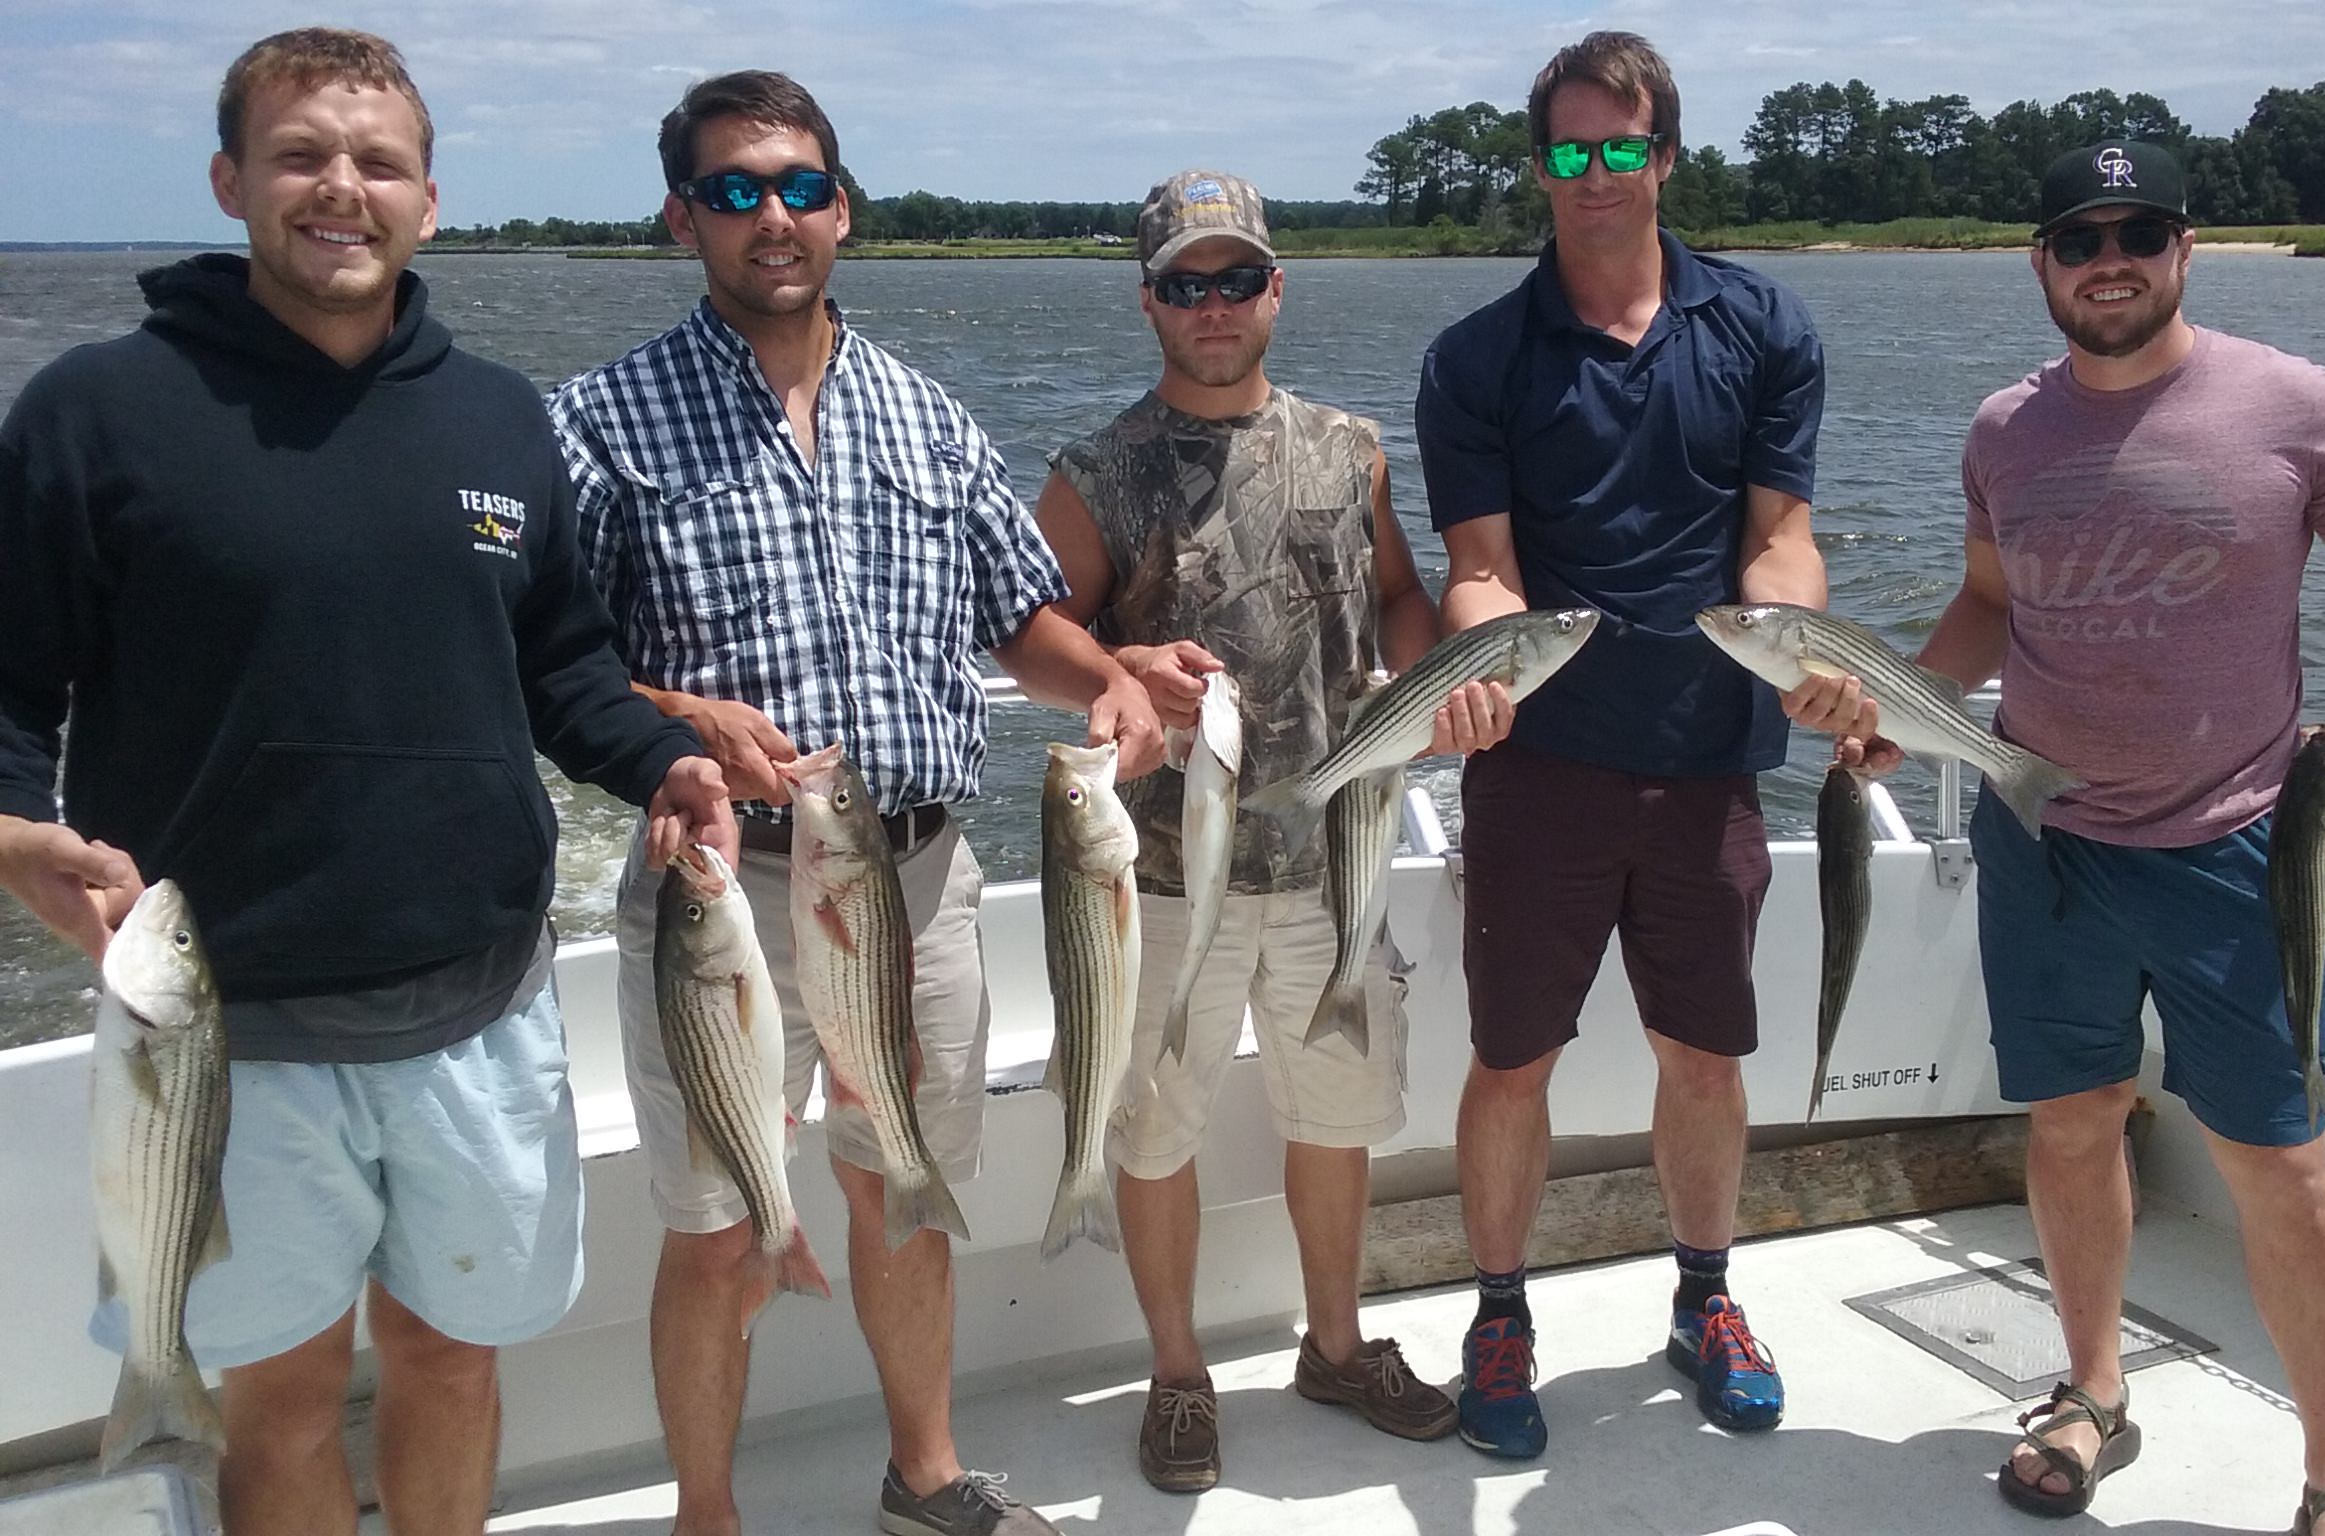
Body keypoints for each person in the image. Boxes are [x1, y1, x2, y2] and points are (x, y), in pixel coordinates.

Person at [0, 28, 733, 1536]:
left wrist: (665, 757)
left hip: (480, 1001)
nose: (342, 186)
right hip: (224, 1028)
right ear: (230, 181)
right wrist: (13, 829)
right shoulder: (96, 411)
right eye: (300, 155)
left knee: (451, 1362)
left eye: (377, 161)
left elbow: (559, 663)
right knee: (275, 1397)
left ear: (430, 200)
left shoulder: (498, 418)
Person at [1794, 140, 2325, 1535]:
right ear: (2040, 262)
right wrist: (1910, 703)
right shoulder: (2003, 433)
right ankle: (2093, 1392)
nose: (2110, 261)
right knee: (2073, 1123)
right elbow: (1984, 606)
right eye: (2079, 238)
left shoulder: (2297, 405)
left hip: (2238, 843)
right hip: (2047, 841)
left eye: (2137, 231)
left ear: (2185, 249)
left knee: (2278, 1159)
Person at [547, 71, 1159, 1536]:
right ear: (682, 214)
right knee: (711, 1232)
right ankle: (708, 1514)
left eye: (801, 187)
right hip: (723, 892)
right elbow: (542, 660)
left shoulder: (926, 415)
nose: (775, 216)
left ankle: (927, 1478)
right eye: (736, 189)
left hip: (919, 876)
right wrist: (680, 713)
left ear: (845, 210)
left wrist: (1113, 680)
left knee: (908, 1185)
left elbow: (1019, 618)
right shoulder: (599, 419)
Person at [1034, 169, 1510, 1493]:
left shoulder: (1349, 447)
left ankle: (1337, 1345)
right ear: (1150, 302)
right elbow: (1031, 637)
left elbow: (1407, 597)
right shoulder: (1096, 472)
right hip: (1164, 874)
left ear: (1276, 289)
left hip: (1336, 857)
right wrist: (1124, 661)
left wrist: (1440, 684)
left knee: (1337, 1115)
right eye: (1186, 283)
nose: (1215, 305)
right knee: (1154, 1126)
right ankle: (1178, 1373)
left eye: (1237, 277)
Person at [1412, 30, 1829, 1459]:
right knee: (1512, 1059)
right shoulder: (1478, 358)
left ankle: (1705, 1298)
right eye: (1569, 151)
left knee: (1702, 1054)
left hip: (1712, 754)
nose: (1596, 176)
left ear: (1664, 155)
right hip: (1537, 768)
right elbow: (1479, 568)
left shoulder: (1766, 329)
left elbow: (1779, 544)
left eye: (1621, 146)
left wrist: (1812, 654)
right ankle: (1499, 1310)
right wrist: (1481, 668)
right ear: (1540, 167)